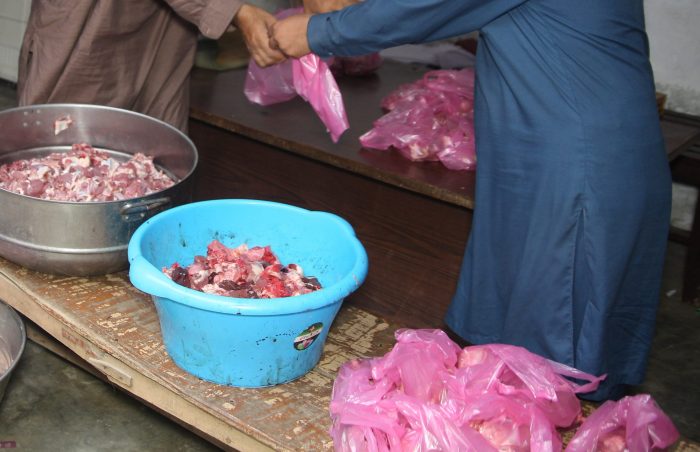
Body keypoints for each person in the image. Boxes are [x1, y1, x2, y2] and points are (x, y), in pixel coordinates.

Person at [270, 0, 672, 401]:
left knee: (558, 361)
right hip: (582, 152)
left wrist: (312, 32)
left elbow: (418, 9)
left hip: (576, 167)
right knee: (552, 342)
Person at [17, 0, 286, 132]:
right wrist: (236, 11)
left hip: (165, 30)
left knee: (151, 163)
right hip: (93, 26)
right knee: (65, 152)